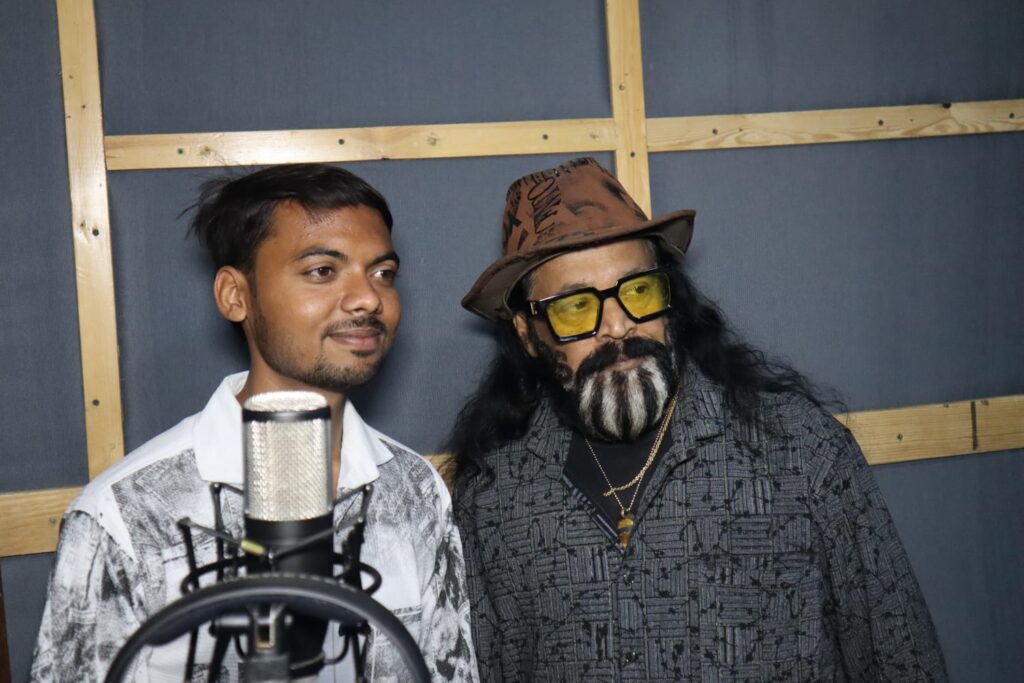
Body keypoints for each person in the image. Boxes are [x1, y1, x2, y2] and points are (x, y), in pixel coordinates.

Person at [449, 157, 947, 682]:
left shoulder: (802, 454)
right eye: (575, 307)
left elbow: (905, 660)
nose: (618, 326)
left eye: (638, 290)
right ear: (528, 334)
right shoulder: (495, 499)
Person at [31, 163, 478, 682]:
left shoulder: (414, 489)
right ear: (235, 295)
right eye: (322, 271)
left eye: (383, 274)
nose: (368, 298)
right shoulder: (125, 514)